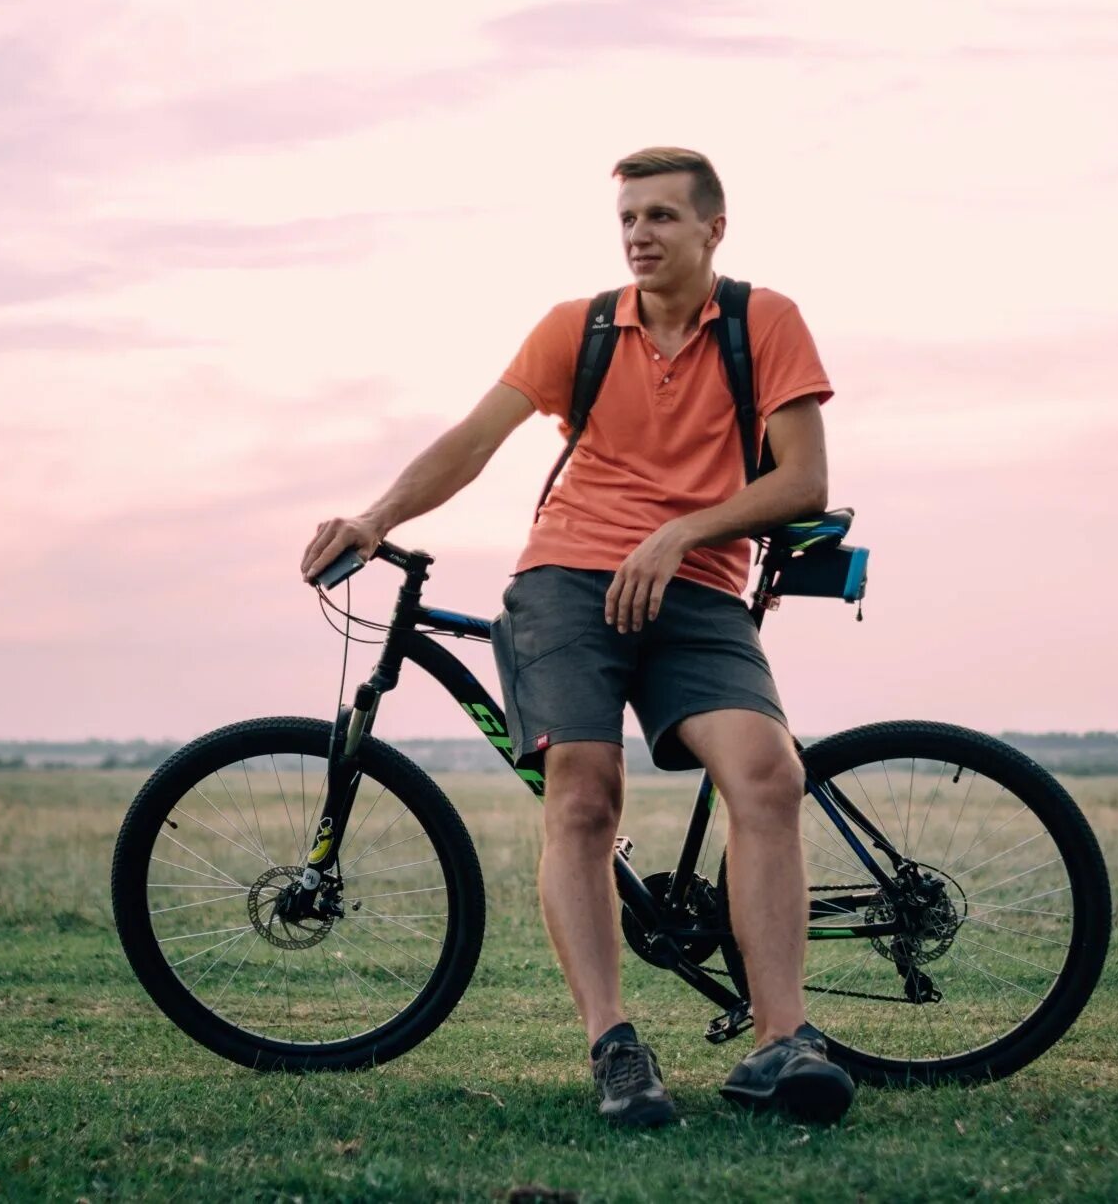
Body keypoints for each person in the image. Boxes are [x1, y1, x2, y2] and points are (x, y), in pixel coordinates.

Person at [299, 147, 854, 1127]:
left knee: (767, 775)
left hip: (698, 585)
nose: (639, 236)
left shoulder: (764, 322)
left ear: (711, 229)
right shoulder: (579, 329)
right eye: (627, 219)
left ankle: (781, 1042)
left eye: (661, 218)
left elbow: (802, 481)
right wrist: (377, 518)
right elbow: (471, 442)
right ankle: (615, 1045)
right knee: (584, 793)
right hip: (565, 579)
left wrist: (679, 531)